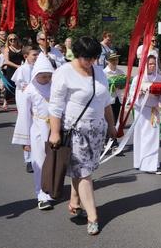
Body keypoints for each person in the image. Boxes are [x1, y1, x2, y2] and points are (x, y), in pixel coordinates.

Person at [49, 36, 117, 236]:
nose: (91, 62)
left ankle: (75, 201)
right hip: (75, 131)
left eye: (94, 58)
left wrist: (112, 125)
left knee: (83, 170)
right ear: (77, 55)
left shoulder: (98, 71)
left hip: (97, 130)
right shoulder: (64, 73)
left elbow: (106, 101)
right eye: (87, 58)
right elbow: (55, 106)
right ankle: (93, 216)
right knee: (84, 172)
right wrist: (55, 132)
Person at [23, 53, 55, 210]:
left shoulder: (55, 87)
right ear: (36, 74)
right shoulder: (30, 90)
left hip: (54, 128)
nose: (46, 79)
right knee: (39, 162)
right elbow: (24, 116)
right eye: (43, 76)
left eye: (49, 76)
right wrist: (25, 140)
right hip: (38, 128)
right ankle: (41, 194)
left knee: (54, 161)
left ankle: (52, 188)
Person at [131, 55, 161, 174]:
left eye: (154, 64)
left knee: (152, 136)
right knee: (140, 136)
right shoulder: (138, 79)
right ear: (145, 65)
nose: (152, 66)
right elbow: (132, 97)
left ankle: (151, 165)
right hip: (141, 111)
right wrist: (141, 92)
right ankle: (140, 162)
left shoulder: (159, 77)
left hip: (153, 110)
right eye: (150, 64)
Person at [11, 45, 40, 173]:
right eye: (34, 55)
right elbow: (23, 87)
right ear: (26, 56)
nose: (37, 57)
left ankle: (39, 156)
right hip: (27, 104)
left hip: (38, 104)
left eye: (38, 54)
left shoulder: (39, 67)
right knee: (27, 128)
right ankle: (28, 159)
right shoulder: (22, 69)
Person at [1, 34, 24, 103]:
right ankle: (6, 101)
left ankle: (19, 99)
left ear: (17, 40)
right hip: (11, 69)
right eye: (10, 39)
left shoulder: (21, 48)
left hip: (20, 69)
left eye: (14, 39)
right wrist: (17, 66)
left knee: (20, 84)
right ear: (8, 41)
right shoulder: (7, 49)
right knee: (10, 84)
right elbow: (7, 61)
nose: (13, 40)